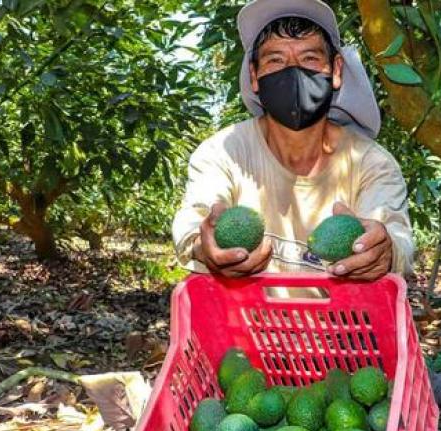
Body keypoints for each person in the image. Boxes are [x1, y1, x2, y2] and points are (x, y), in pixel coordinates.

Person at [171, 0, 414, 281]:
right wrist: (205, 246)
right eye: (275, 60)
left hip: (341, 324)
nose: (293, 70)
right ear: (254, 75)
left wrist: (383, 250)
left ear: (336, 71)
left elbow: (396, 241)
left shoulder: (372, 164)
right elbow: (194, 221)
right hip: (240, 322)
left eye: (309, 59)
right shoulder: (224, 153)